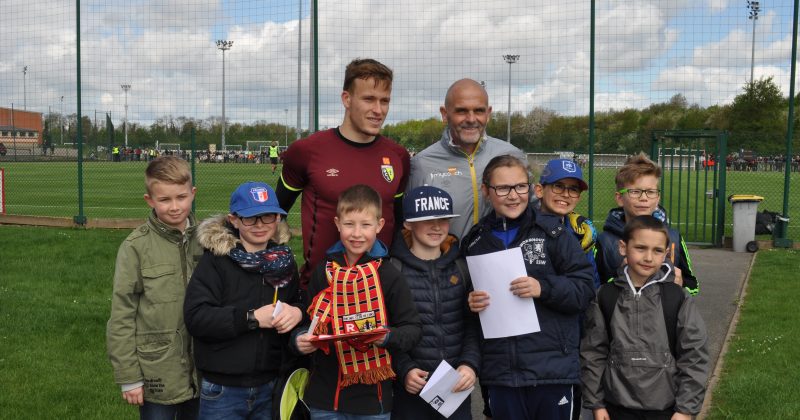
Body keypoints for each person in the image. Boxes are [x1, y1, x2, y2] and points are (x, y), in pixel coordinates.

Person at [463, 155, 595, 420]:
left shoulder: (554, 234)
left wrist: (543, 288)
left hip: (551, 372)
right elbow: (464, 306)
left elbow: (584, 289)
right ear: (486, 191)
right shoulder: (475, 242)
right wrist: (471, 303)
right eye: (503, 188)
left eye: (520, 187)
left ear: (530, 188)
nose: (513, 196)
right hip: (501, 374)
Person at [277, 58, 410, 288]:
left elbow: (397, 224)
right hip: (321, 290)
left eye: (384, 101)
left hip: (378, 292)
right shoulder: (307, 151)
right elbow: (276, 214)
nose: (378, 110)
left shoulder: (398, 157)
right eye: (368, 99)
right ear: (346, 99)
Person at [293, 184, 422, 419]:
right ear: (337, 224)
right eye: (349, 224)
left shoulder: (388, 273)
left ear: (379, 226)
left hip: (373, 402)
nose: (356, 233)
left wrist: (387, 336)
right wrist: (299, 339)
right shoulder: (324, 271)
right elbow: (308, 319)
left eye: (366, 225)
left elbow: (412, 329)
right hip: (325, 397)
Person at [183, 181, 306, 419]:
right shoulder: (217, 261)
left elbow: (298, 304)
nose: (260, 226)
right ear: (234, 220)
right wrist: (251, 318)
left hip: (270, 385)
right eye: (250, 218)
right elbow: (197, 317)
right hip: (223, 389)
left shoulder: (283, 261)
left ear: (278, 219)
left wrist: (298, 313)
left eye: (268, 217)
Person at [580, 215, 709, 420]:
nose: (648, 258)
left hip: (666, 410)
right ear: (623, 248)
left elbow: (694, 355)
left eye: (657, 251)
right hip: (615, 408)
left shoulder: (677, 297)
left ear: (666, 254)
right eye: (640, 248)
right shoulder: (606, 296)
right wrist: (596, 404)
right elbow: (593, 353)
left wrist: (685, 409)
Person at [106, 156, 202, 419]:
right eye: (164, 200)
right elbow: (122, 315)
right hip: (157, 371)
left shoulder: (208, 240)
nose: (174, 207)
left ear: (192, 194)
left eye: (181, 197)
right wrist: (128, 377)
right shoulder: (135, 247)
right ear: (149, 200)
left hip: (205, 369)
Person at [389, 186, 481, 420]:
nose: (436, 226)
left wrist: (469, 364)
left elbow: (473, 324)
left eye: (443, 219)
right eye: (426, 219)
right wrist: (404, 369)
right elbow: (386, 331)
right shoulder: (391, 270)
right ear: (408, 223)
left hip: (456, 388)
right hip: (410, 389)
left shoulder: (462, 267)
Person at [408, 78, 527, 241]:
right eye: (461, 111)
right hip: (447, 263)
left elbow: (533, 210)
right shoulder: (421, 164)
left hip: (502, 260)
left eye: (479, 110)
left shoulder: (512, 155)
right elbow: (409, 225)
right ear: (444, 114)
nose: (471, 119)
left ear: (488, 113)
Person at [595, 153, 699, 295]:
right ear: (619, 198)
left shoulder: (673, 238)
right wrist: (619, 278)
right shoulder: (604, 242)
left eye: (650, 192)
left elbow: (693, 286)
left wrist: (680, 286)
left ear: (657, 198)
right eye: (635, 192)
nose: (643, 198)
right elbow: (594, 290)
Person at [533, 158, 599, 288]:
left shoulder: (582, 234)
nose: (566, 194)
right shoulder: (523, 228)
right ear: (539, 190)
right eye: (558, 186)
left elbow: (592, 283)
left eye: (573, 189)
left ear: (578, 197)